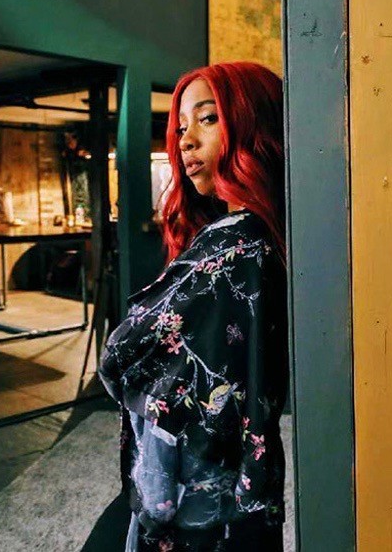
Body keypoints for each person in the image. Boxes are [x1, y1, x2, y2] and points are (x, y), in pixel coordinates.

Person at [99, 62, 287, 552]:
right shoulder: (264, 234)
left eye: (207, 118)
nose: (185, 142)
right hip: (240, 488)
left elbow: (121, 354)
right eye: (181, 127)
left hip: (199, 497)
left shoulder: (234, 246)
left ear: (254, 125)